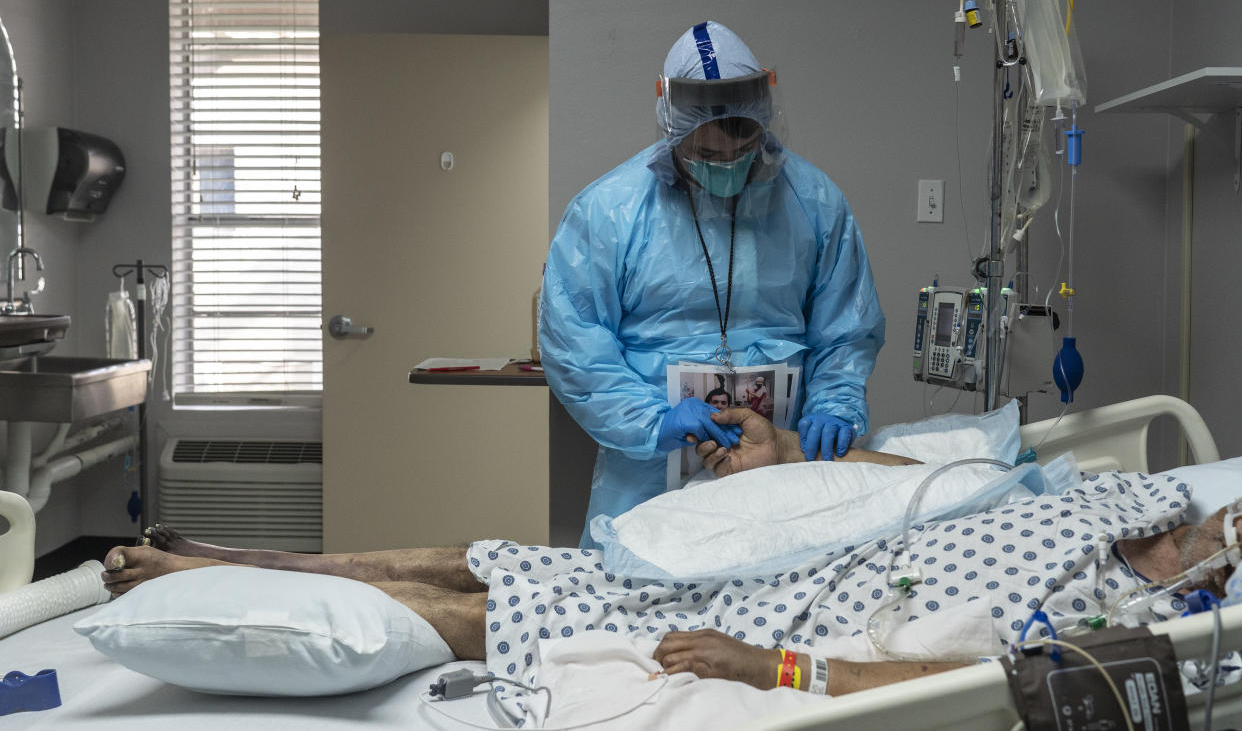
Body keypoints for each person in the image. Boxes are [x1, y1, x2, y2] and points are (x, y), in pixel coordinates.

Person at [101, 408, 1239, 703]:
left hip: (794, 631)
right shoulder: (1125, 490)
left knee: (501, 617)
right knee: (491, 556)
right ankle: (240, 552)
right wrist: (800, 471)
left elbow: (982, 684)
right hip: (776, 566)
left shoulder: (1146, 632)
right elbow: (939, 486)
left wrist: (780, 670)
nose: (1228, 521)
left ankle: (210, 580)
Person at [539, 20, 886, 547]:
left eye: (740, 150)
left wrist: (835, 402)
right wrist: (652, 422)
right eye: (708, 155)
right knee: (641, 609)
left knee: (772, 603)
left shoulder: (813, 202)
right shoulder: (609, 211)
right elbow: (575, 342)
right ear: (674, 130)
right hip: (649, 472)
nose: (728, 166)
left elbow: (846, 326)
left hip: (773, 460)